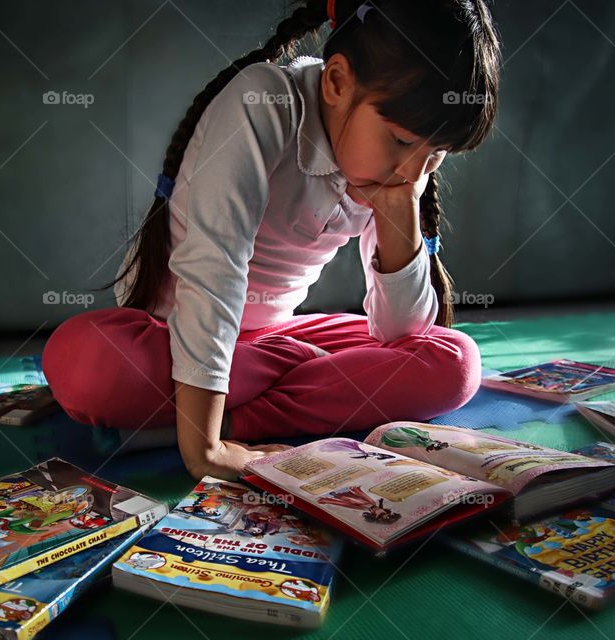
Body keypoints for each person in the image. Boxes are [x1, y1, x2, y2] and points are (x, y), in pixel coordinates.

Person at [43, 0, 501, 480]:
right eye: (403, 142)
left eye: (438, 154)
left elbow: (400, 334)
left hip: (274, 340)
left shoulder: (401, 175)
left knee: (455, 361)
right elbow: (214, 269)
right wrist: (206, 450)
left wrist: (399, 210)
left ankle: (235, 414)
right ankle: (252, 393)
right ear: (337, 82)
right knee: (86, 364)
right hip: (173, 335)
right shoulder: (265, 103)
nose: (412, 172)